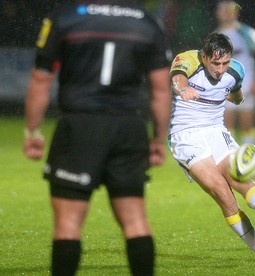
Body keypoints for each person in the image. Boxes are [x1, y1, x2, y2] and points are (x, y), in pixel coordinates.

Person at [23, 1, 172, 275]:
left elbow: (41, 78)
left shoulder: (67, 17)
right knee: (135, 219)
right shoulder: (146, 22)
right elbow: (161, 91)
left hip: (80, 126)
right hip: (129, 128)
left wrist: (32, 131)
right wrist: (158, 140)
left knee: (68, 222)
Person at [168, 32, 255, 262]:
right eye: (215, 63)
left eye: (225, 63)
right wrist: (183, 90)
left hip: (216, 132)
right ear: (204, 57)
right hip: (185, 136)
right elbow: (177, 79)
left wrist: (236, 98)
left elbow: (236, 95)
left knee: (240, 179)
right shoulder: (188, 59)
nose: (220, 69)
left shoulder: (235, 70)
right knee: (222, 192)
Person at [215, 0, 255, 145]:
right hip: (225, 84)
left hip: (246, 82)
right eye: (223, 10)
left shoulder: (247, 32)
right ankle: (229, 156)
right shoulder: (215, 35)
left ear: (236, 13)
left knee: (247, 122)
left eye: (229, 10)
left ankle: (249, 156)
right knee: (226, 123)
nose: (226, 13)